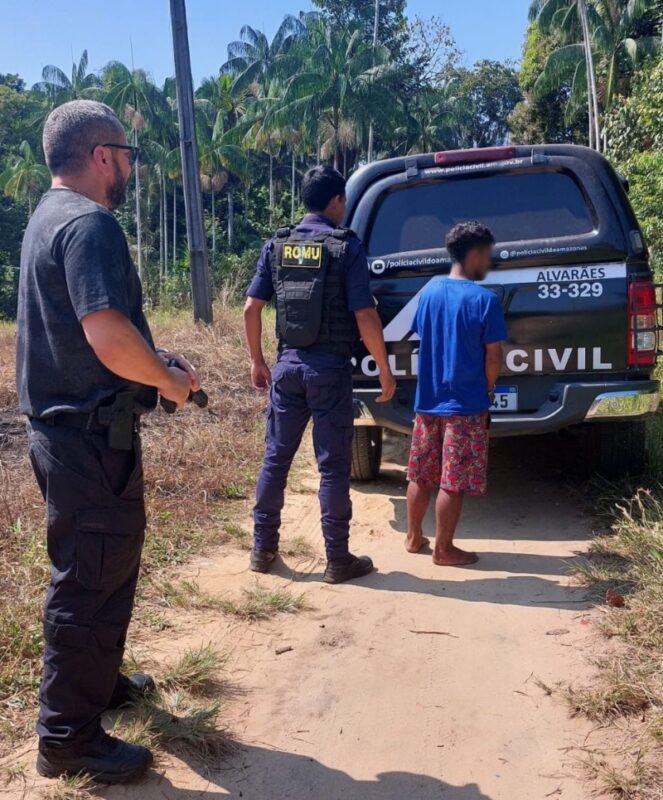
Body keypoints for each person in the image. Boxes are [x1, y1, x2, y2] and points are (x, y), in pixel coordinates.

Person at [16, 100, 199, 784]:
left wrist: (160, 362)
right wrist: (170, 383)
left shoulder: (47, 216)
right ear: (102, 155)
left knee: (106, 566)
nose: (130, 168)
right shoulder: (90, 223)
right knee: (89, 578)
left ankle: (100, 682)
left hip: (69, 434)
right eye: (128, 155)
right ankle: (66, 739)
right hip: (87, 441)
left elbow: (88, 333)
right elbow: (107, 336)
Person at [244, 166, 396, 583]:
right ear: (337, 201)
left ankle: (262, 550)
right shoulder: (346, 247)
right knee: (332, 467)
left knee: (276, 460)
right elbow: (364, 314)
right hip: (329, 371)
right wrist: (384, 369)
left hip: (287, 369)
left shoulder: (277, 244)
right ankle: (337, 559)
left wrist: (257, 361)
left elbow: (251, 308)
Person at [404, 222, 507, 566]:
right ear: (474, 254)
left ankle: (413, 537)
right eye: (487, 255)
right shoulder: (485, 300)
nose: (489, 263)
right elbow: (493, 357)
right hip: (465, 405)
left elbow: (426, 338)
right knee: (454, 480)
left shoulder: (429, 293)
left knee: (420, 474)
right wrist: (488, 389)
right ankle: (444, 550)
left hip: (427, 402)